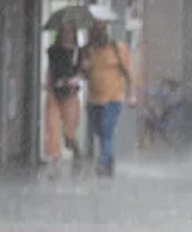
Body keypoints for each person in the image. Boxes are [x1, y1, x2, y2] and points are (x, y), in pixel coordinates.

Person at [82, 20, 136, 177]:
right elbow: (86, 76)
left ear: (105, 31)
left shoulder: (117, 48)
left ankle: (102, 162)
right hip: (93, 99)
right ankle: (109, 159)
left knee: (107, 131)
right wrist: (84, 68)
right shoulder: (87, 51)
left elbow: (129, 73)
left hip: (113, 98)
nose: (97, 32)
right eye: (94, 29)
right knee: (99, 132)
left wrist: (132, 95)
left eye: (100, 29)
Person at [43, 21, 83, 178]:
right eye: (64, 31)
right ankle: (54, 160)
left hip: (70, 93)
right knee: (52, 126)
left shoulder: (78, 51)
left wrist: (75, 79)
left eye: (70, 31)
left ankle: (74, 147)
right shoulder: (53, 51)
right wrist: (48, 83)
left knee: (69, 131)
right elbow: (50, 69)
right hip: (54, 91)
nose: (67, 34)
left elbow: (81, 71)